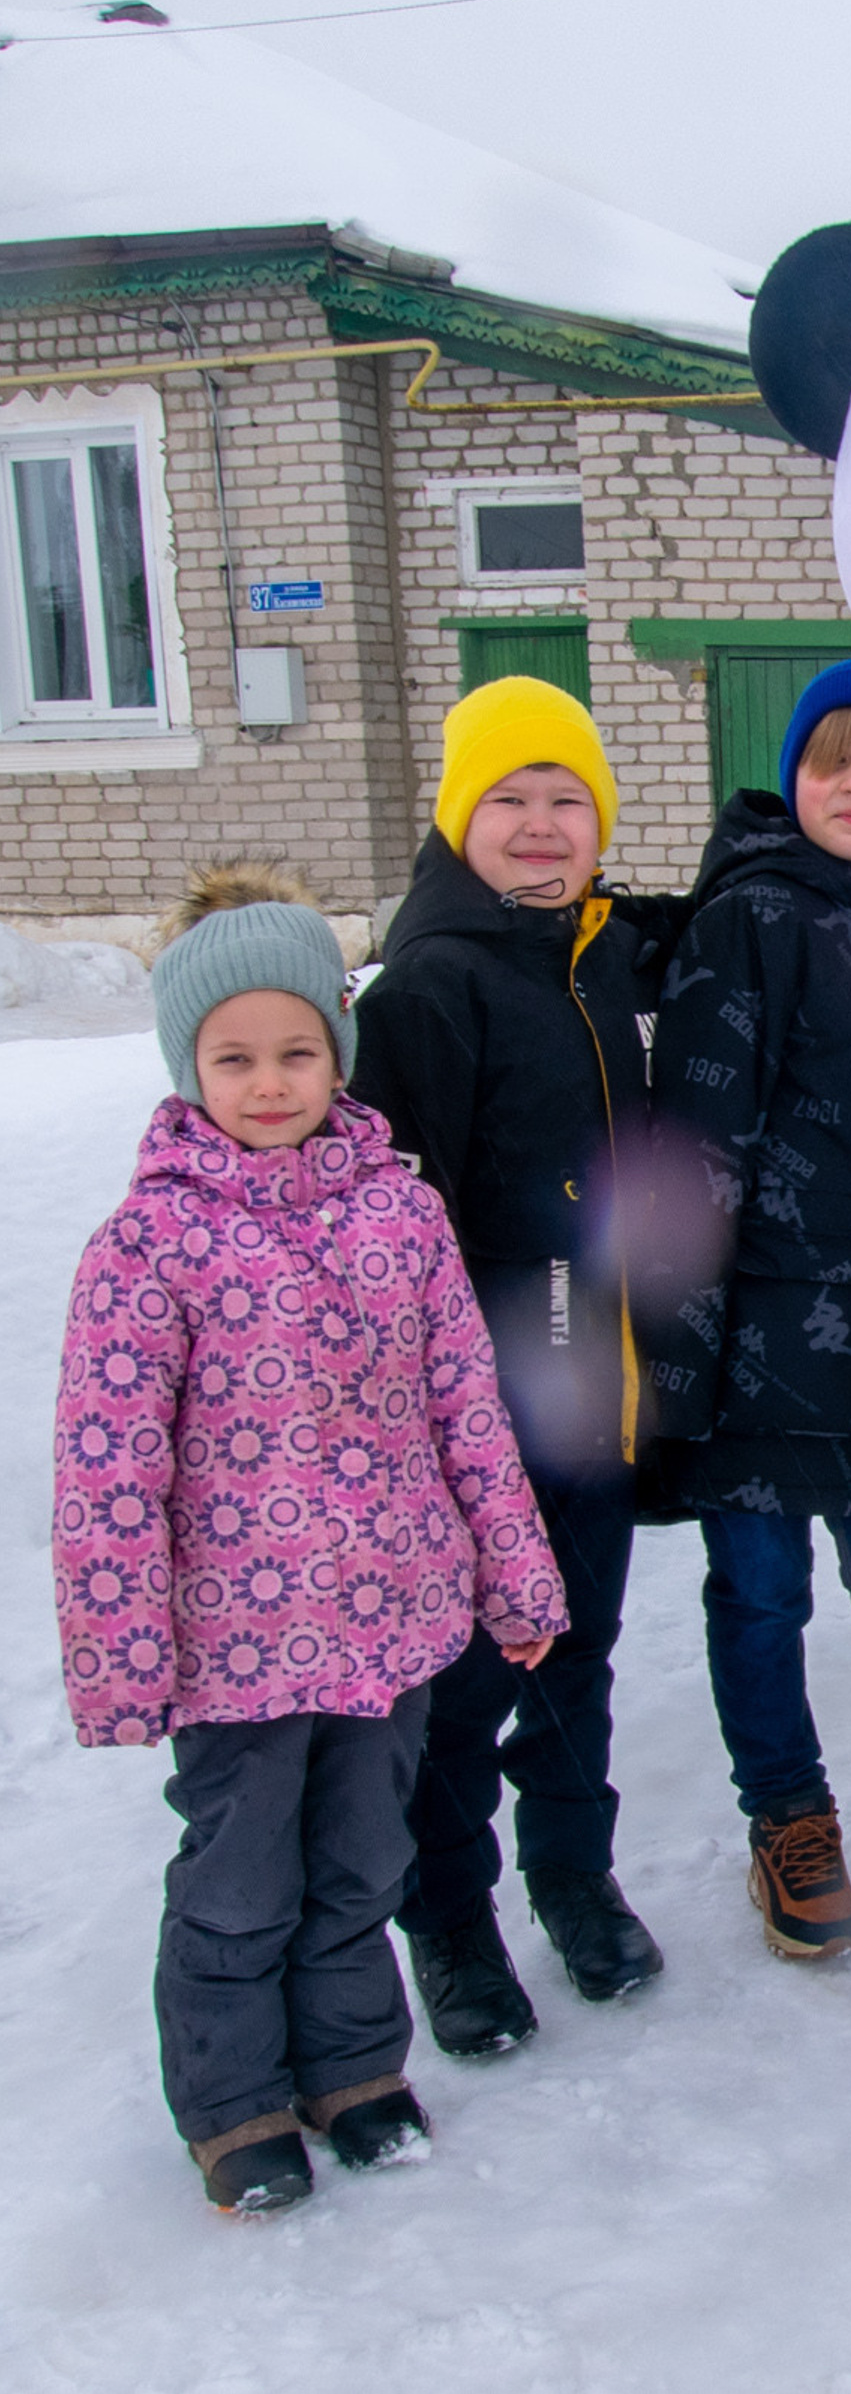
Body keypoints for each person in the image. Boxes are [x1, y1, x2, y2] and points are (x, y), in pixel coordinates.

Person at [52, 867, 566, 2214]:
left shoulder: (401, 1213)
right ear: (187, 1066)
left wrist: (512, 1571)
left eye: (296, 1051)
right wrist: (121, 1657)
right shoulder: (149, 1245)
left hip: (390, 1630)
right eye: (235, 1057)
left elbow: (466, 1407)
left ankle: (351, 2071)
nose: (270, 1082)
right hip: (231, 1653)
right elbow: (108, 1470)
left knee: (362, 1863)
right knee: (239, 1878)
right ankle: (233, 2108)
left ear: (337, 1052)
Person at [350, 679, 687, 2053]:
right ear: (457, 817)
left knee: (582, 1653)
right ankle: (450, 1918)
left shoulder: (586, 950)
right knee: (474, 1670)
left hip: (589, 1387)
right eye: (510, 800)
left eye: (569, 802)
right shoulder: (430, 984)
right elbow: (386, 1219)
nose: (542, 828)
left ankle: (572, 1872)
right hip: (473, 1415)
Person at [643, 661, 851, 1957]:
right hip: (761, 1350)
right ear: (793, 778)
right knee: (763, 1598)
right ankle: (787, 1817)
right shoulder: (754, 918)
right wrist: (679, 1357)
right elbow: (698, 1143)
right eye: (833, 759)